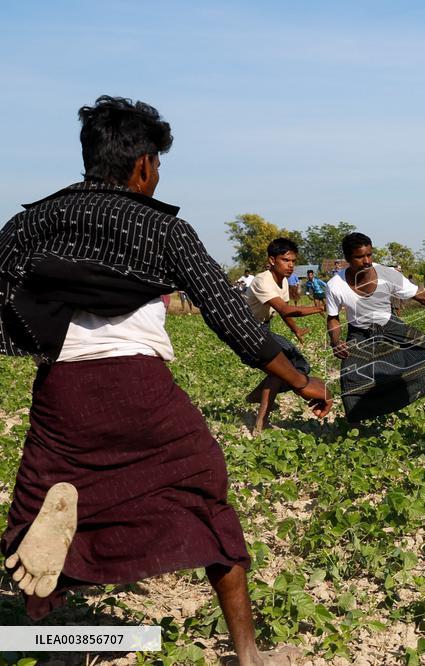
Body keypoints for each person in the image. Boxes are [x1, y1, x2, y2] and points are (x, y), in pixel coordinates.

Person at [0, 96, 330, 665]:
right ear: (144, 165)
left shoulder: (28, 223)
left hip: (60, 394)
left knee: (45, 502)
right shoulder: (162, 229)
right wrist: (301, 382)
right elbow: (233, 323)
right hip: (139, 388)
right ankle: (248, 655)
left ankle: (50, 646)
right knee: (203, 487)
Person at [327, 233, 425, 423]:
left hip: (390, 326)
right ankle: (355, 423)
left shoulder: (387, 274)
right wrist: (335, 341)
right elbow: (333, 318)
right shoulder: (335, 285)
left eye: (369, 254)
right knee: (351, 376)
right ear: (347, 259)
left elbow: (423, 297)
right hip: (359, 333)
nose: (367, 261)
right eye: (360, 257)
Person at [245, 238, 327, 435]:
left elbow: (283, 312)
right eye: (285, 260)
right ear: (272, 260)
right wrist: (319, 307)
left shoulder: (282, 281)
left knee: (295, 365)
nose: (290, 266)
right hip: (247, 330)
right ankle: (260, 421)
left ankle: (257, 398)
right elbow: (285, 308)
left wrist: (295, 330)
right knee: (283, 368)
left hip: (262, 328)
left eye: (293, 261)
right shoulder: (263, 280)